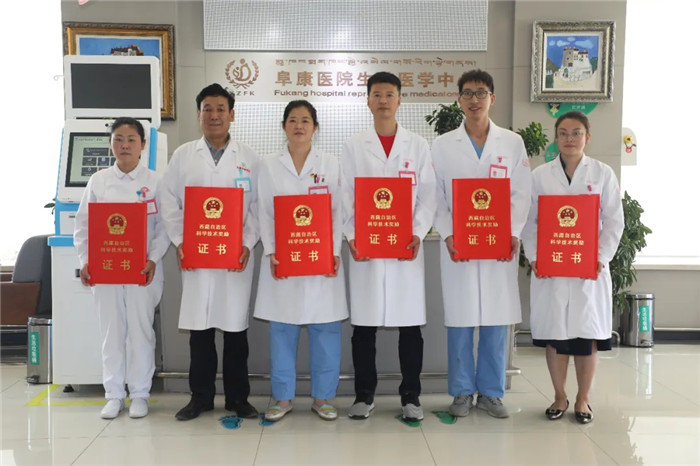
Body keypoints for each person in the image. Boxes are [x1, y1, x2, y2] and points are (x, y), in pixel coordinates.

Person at [432, 69, 532, 419]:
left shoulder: (512, 143)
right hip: (459, 246)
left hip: (497, 245)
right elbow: (436, 195)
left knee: (495, 318)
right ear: (459, 99)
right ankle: (461, 391)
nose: (475, 99)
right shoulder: (443, 145)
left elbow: (521, 192)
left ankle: (491, 392)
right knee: (460, 319)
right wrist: (448, 233)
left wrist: (513, 232)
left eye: (481, 93)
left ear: (493, 98)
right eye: (468, 93)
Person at [159, 83, 260, 421]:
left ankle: (238, 399)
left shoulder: (249, 158)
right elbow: (168, 201)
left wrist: (247, 243)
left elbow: (258, 207)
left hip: (234, 258)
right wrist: (180, 241)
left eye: (221, 109)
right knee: (200, 331)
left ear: (232, 115)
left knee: (235, 331)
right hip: (198, 255)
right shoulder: (183, 155)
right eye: (208, 109)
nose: (214, 115)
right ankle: (200, 397)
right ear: (198, 115)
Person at [341, 71, 437, 422]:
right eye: (377, 95)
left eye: (389, 95)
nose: (383, 101)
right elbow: (345, 195)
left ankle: (411, 396)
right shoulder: (354, 146)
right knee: (364, 328)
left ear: (399, 100)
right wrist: (352, 234)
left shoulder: (418, 145)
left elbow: (427, 195)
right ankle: (364, 395)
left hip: (403, 250)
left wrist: (418, 231)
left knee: (409, 328)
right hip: (367, 251)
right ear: (368, 101)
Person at [521, 111, 623, 424]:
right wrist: (535, 256)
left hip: (587, 269)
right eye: (563, 133)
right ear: (556, 138)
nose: (569, 139)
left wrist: (601, 257)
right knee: (556, 337)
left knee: (586, 336)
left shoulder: (602, 174)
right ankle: (559, 396)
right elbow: (529, 222)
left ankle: (583, 399)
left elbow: (614, 221)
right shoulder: (540, 176)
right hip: (551, 268)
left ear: (587, 137)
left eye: (576, 133)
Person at [254, 100, 348, 421]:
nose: (299, 126)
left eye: (305, 120)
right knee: (282, 330)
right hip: (284, 259)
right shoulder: (268, 165)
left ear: (315, 128)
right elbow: (263, 211)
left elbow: (338, 210)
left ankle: (323, 397)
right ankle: (282, 398)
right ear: (283, 126)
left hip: (322, 260)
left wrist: (333, 252)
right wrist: (272, 251)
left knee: (325, 330)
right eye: (292, 120)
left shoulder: (331, 163)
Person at [74, 117, 170, 419]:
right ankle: (114, 394)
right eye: (118, 139)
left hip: (142, 271)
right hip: (106, 271)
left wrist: (153, 258)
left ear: (143, 145)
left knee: (140, 332)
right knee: (111, 332)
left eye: (131, 140)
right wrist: (85, 260)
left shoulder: (156, 182)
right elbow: (83, 226)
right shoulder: (99, 181)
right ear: (111, 144)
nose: (125, 145)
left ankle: (140, 394)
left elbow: (164, 227)